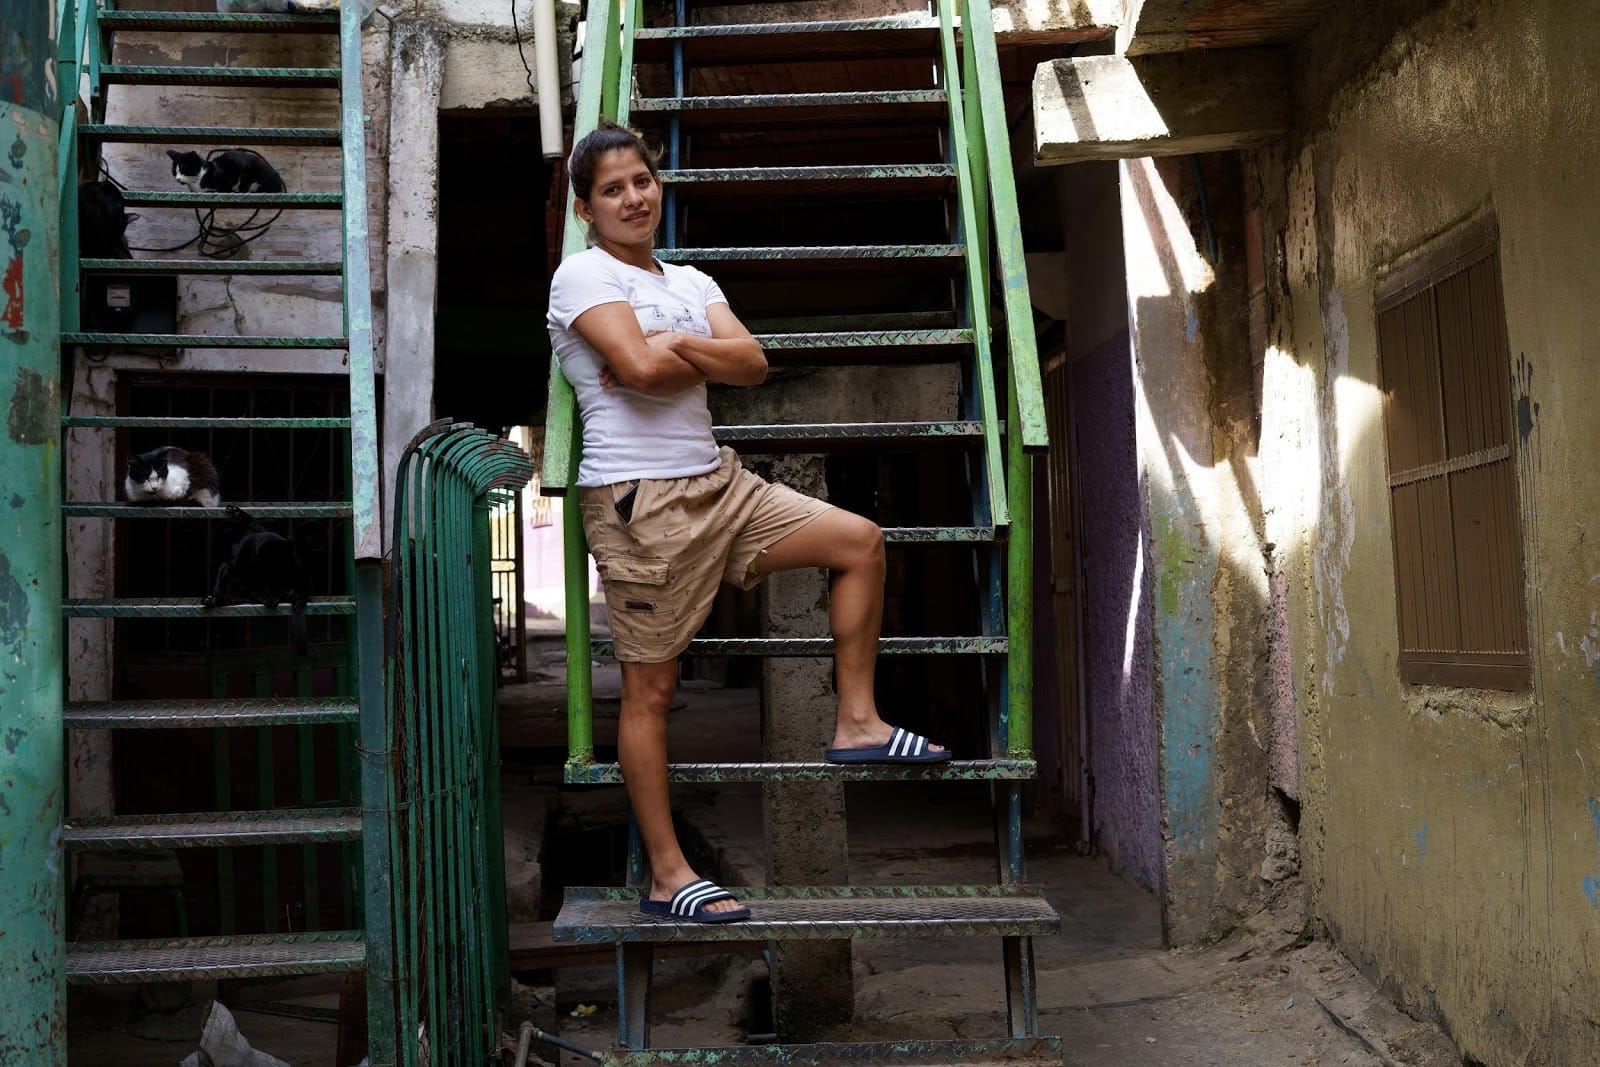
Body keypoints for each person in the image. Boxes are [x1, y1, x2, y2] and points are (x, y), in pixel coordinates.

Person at [546, 121, 950, 924]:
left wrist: (673, 340)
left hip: (721, 483)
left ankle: (857, 720)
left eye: (642, 180)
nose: (633, 198)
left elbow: (754, 364)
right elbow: (637, 370)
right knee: (651, 690)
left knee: (860, 542)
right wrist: (690, 353)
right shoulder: (581, 275)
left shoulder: (692, 279)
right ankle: (667, 875)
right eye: (613, 189)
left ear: (658, 184)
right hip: (640, 501)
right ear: (587, 209)